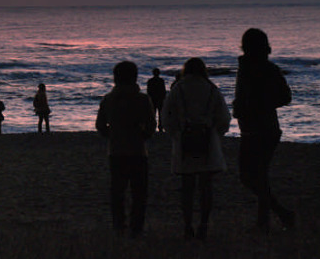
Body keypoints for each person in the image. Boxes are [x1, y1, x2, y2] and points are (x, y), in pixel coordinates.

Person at [233, 28, 296, 233]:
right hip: (267, 127)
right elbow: (285, 97)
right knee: (259, 176)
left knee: (248, 176)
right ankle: (264, 222)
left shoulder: (251, 68)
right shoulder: (267, 68)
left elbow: (284, 97)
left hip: (257, 128)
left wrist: (255, 105)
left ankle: (280, 213)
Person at [161, 58, 231, 240]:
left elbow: (166, 116)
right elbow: (224, 117)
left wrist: (176, 134)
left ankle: (187, 226)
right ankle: (204, 225)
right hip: (208, 141)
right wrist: (216, 135)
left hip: (185, 141)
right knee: (206, 187)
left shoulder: (178, 89)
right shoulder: (212, 89)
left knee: (187, 187)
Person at [96, 61, 156, 237]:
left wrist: (112, 134)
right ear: (135, 77)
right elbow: (152, 126)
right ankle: (136, 227)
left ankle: (119, 225)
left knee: (117, 191)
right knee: (139, 192)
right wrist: (142, 135)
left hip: (116, 150)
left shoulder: (109, 99)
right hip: (138, 151)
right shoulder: (143, 99)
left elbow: (100, 125)